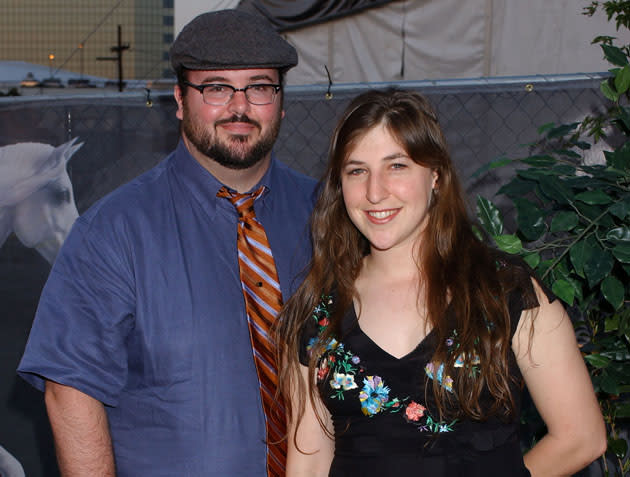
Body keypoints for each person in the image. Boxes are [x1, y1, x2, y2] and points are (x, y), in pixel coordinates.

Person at [17, 9, 317, 477]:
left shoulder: (329, 215)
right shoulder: (113, 232)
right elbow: (70, 391)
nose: (240, 106)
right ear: (179, 99)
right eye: (216, 87)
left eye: (260, 86)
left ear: (280, 101)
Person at [275, 88, 607, 476]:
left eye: (396, 166)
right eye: (356, 170)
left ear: (435, 175)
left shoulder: (506, 291)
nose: (374, 192)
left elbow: (581, 437)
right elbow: (311, 461)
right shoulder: (316, 312)